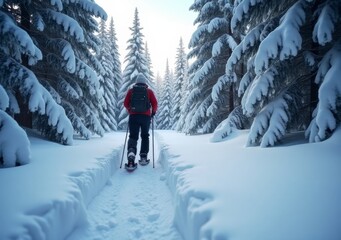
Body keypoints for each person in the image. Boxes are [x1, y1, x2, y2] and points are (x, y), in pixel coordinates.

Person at [123, 73, 158, 167]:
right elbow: (155, 103)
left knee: (133, 136)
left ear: (136, 82)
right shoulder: (149, 91)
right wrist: (153, 112)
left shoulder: (131, 91)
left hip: (133, 116)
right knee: (145, 136)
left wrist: (130, 110)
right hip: (145, 117)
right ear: (145, 82)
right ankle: (143, 156)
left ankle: (131, 154)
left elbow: (125, 103)